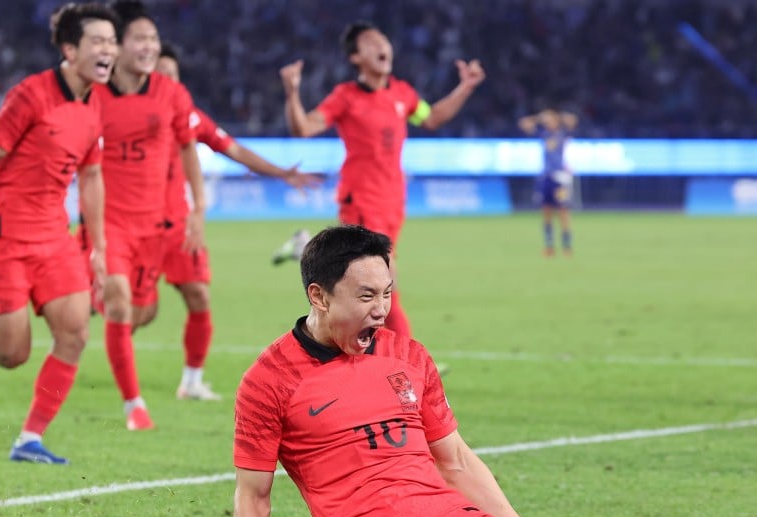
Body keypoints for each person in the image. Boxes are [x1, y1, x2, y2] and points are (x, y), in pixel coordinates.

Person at [230, 225, 628, 517]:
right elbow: (254, 497)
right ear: (319, 296)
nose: (381, 310)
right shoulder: (269, 380)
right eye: (366, 297)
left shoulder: (408, 356)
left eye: (387, 294)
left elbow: (455, 460)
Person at [0, 3, 119, 464]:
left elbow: (91, 178)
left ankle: (29, 438)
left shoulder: (95, 106)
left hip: (54, 237)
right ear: (70, 50)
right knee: (11, 354)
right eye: (98, 41)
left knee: (74, 333)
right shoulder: (29, 96)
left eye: (112, 41)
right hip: (3, 238)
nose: (109, 49)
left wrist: (99, 248)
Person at [138, 42, 321, 401]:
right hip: (135, 226)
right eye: (161, 75)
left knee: (199, 297)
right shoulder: (128, 114)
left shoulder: (189, 117)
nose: (168, 82)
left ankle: (191, 382)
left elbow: (234, 150)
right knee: (138, 313)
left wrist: (281, 173)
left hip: (179, 225)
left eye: (174, 76)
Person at [279, 22, 485, 338]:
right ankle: (407, 362)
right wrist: (292, 93)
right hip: (361, 200)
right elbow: (304, 128)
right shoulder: (345, 97)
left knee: (374, 284)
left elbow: (431, 118)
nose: (381, 46)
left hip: (393, 203)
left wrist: (465, 87)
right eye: (371, 42)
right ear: (356, 57)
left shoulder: (402, 93)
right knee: (384, 284)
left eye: (383, 40)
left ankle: (306, 247)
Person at [91, 1, 206, 429]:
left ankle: (92, 301)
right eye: (139, 38)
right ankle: (133, 406)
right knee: (119, 303)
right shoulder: (93, 94)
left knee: (141, 312)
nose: (149, 46)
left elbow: (188, 149)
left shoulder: (172, 94)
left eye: (153, 39)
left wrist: (198, 207)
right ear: (118, 46)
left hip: (154, 226)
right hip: (108, 223)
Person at [518, 109, 578, 256]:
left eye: (550, 120)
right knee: (546, 212)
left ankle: (566, 246)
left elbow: (573, 120)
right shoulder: (543, 134)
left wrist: (558, 116)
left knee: (563, 212)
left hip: (559, 178)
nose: (547, 123)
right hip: (546, 178)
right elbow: (523, 124)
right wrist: (538, 118)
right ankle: (549, 246)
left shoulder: (563, 133)